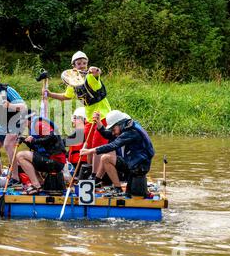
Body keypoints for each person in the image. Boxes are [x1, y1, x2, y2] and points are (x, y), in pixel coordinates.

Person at [45, 51, 112, 184]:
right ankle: (89, 171)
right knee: (88, 145)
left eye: (84, 63)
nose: (82, 65)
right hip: (89, 118)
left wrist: (95, 70)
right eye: (79, 63)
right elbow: (66, 97)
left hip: (101, 116)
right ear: (74, 66)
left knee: (97, 147)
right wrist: (50, 94)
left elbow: (98, 73)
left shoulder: (91, 76)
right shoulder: (73, 82)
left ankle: (96, 177)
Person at [80, 110, 155, 194]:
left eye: (113, 129)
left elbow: (113, 145)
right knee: (106, 157)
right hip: (133, 162)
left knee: (106, 156)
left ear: (120, 124)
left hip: (139, 166)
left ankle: (105, 182)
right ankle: (116, 187)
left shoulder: (131, 132)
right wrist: (98, 122)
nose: (113, 132)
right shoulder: (125, 127)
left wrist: (90, 151)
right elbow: (108, 134)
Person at [16, 110, 67, 195]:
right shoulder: (33, 127)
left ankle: (36, 186)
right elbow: (38, 147)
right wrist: (25, 141)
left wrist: (34, 140)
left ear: (28, 119)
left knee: (20, 156)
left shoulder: (38, 124)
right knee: (24, 159)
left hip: (55, 160)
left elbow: (52, 136)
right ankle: (40, 183)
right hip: (51, 160)